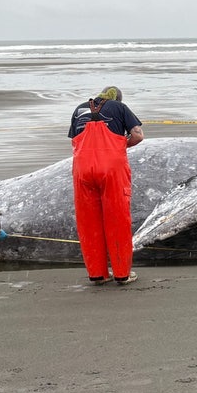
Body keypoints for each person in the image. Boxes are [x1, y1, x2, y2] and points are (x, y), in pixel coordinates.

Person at [68, 86, 144, 285]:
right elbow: (137, 135)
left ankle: (98, 274)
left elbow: (75, 141)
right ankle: (122, 274)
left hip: (82, 170)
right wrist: (119, 145)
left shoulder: (78, 109)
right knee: (117, 220)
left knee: (88, 222)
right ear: (117, 99)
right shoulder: (120, 107)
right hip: (111, 169)